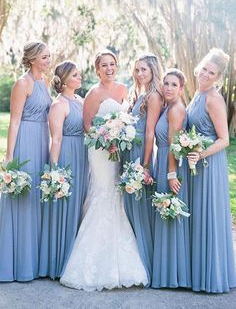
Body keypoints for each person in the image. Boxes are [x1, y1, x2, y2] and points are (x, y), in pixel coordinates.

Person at [60, 50, 148, 291]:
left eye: (112, 64)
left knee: (117, 194)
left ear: (116, 66)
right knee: (103, 192)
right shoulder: (93, 93)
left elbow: (128, 119)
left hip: (119, 150)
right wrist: (105, 138)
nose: (109, 68)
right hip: (100, 151)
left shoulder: (124, 89)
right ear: (97, 69)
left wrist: (119, 137)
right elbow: (87, 125)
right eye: (104, 65)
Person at [0, 41, 51, 281]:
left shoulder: (44, 82)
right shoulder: (23, 84)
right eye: (44, 57)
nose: (48, 61)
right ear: (32, 59)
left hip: (42, 141)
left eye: (49, 57)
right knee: (22, 199)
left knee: (36, 200)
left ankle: (33, 262)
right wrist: (10, 157)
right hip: (26, 142)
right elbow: (15, 121)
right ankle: (15, 265)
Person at [187, 48, 236, 293]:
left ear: (218, 77)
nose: (206, 74)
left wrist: (200, 153)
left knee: (208, 216)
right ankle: (198, 272)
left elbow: (224, 139)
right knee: (197, 216)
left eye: (212, 72)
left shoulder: (213, 98)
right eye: (205, 68)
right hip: (197, 162)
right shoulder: (197, 92)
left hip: (208, 163)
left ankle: (211, 276)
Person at [39, 61, 88, 279]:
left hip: (83, 155)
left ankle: (75, 262)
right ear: (65, 79)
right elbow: (56, 139)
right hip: (67, 156)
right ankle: (59, 263)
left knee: (79, 205)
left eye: (79, 74)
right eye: (75, 75)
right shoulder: (59, 105)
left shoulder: (80, 100)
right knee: (65, 209)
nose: (80, 78)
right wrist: (55, 171)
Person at [122, 53, 163, 285]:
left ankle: (145, 263)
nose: (139, 74)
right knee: (130, 205)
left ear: (153, 71)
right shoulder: (140, 94)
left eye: (144, 70)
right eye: (136, 70)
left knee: (139, 207)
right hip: (129, 150)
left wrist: (145, 166)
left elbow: (149, 133)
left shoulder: (154, 96)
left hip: (140, 154)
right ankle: (134, 260)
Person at [152, 68, 191, 289]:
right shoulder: (167, 107)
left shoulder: (176, 110)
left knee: (170, 212)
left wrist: (171, 174)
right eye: (166, 83)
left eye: (174, 85)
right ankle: (166, 271)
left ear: (181, 88)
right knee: (165, 213)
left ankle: (173, 274)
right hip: (164, 162)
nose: (168, 88)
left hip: (171, 165)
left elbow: (174, 146)